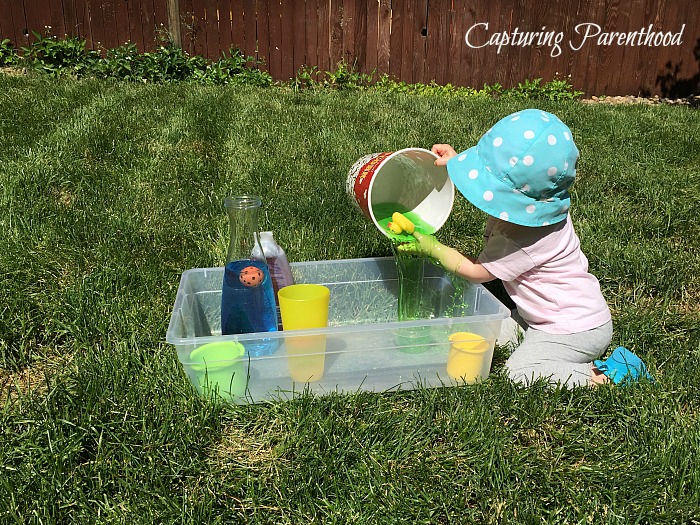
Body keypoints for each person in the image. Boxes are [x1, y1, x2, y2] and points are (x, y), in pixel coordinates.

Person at [400, 109, 651, 387]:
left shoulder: (522, 236)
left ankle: (606, 376)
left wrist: (432, 248)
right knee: (482, 332)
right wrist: (457, 162)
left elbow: (476, 271)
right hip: (540, 318)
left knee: (518, 373)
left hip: (572, 330)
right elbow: (503, 179)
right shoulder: (541, 205)